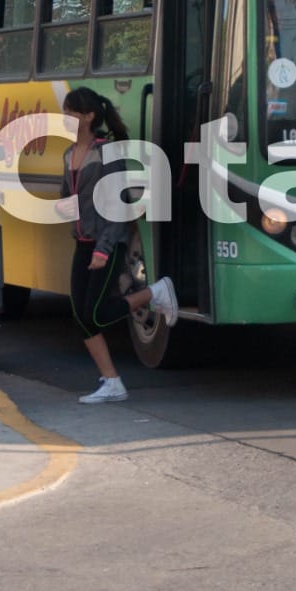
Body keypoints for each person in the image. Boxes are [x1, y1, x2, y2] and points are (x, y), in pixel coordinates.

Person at [59, 86, 178, 404]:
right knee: (81, 316)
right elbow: (67, 196)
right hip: (82, 242)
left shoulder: (107, 154)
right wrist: (65, 208)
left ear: (89, 117)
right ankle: (112, 382)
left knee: (95, 314)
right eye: (64, 112)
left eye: (70, 113)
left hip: (106, 243)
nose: (65, 118)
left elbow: (118, 206)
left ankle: (156, 292)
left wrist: (104, 248)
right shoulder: (69, 154)